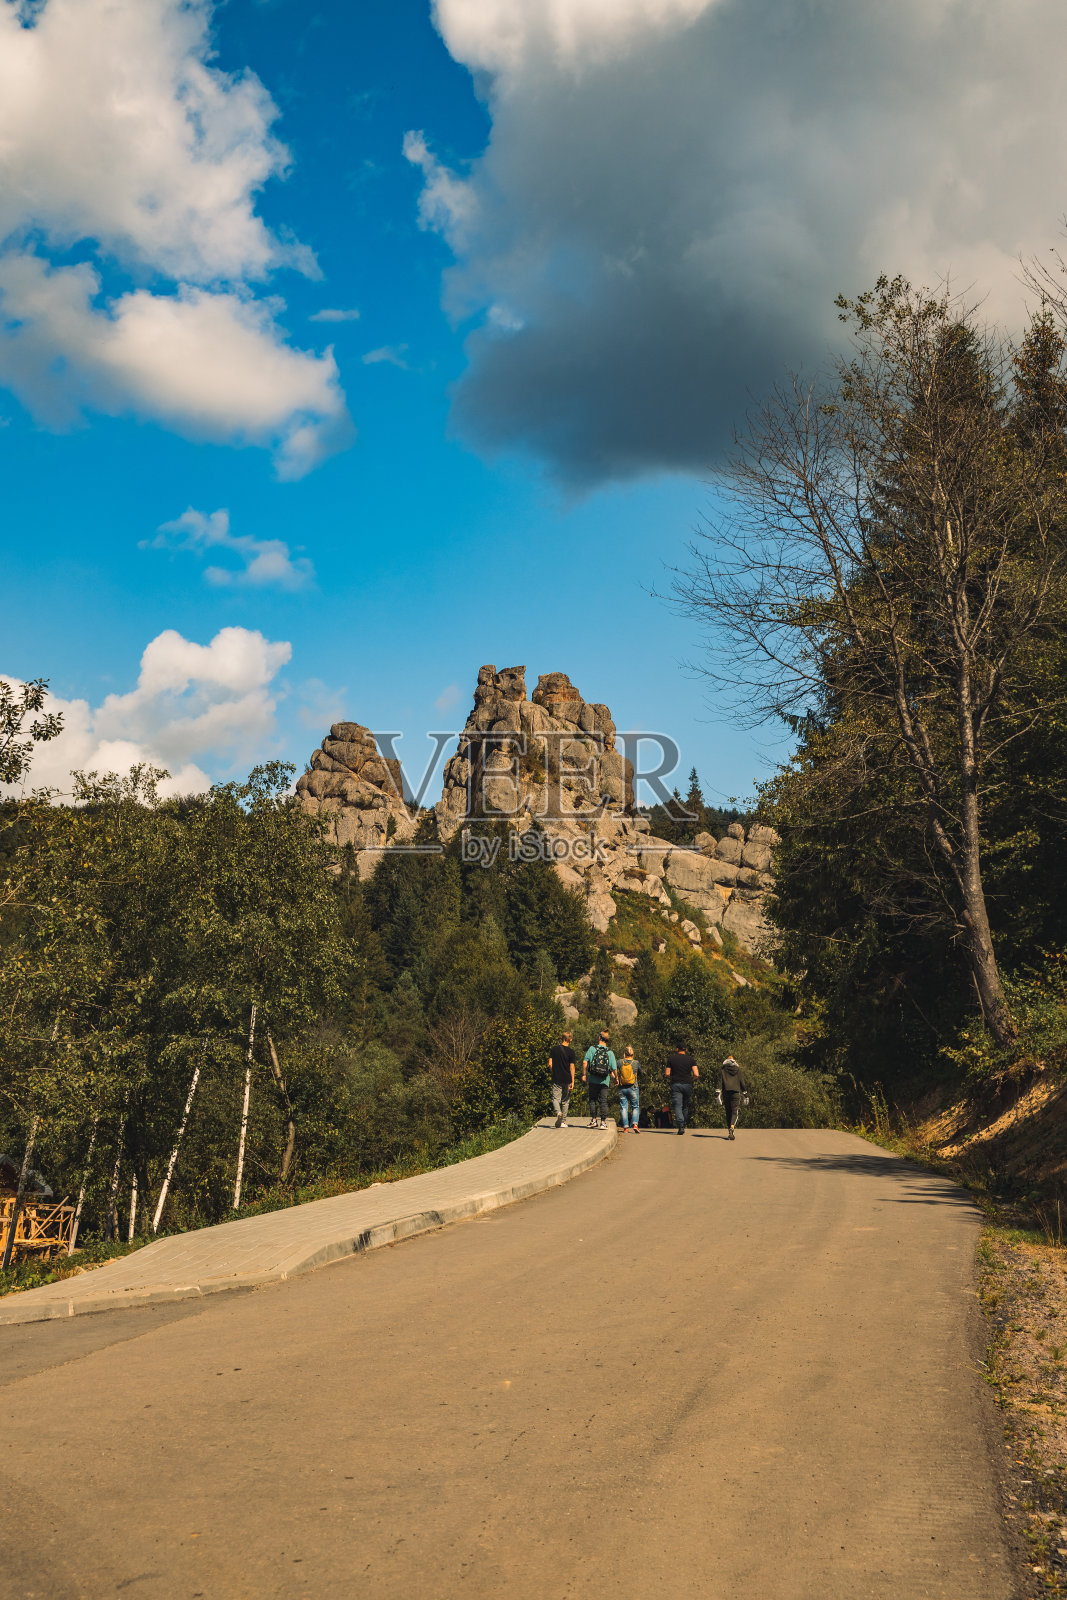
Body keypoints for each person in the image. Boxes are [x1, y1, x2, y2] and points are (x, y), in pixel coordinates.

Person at [583, 1030, 617, 1128]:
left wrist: (584, 1075)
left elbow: (585, 1062)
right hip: (604, 1081)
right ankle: (603, 1122)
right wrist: (616, 1078)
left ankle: (594, 1120)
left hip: (593, 1079)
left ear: (599, 1038)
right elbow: (614, 1068)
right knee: (603, 1101)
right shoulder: (610, 1052)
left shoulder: (592, 1049)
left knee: (592, 1100)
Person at [665, 1041, 699, 1134]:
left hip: (676, 1084)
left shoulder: (671, 1058)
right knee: (685, 1106)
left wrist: (672, 1078)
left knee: (678, 1105)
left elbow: (667, 1073)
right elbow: (696, 1074)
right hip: (687, 1084)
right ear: (686, 1050)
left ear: (677, 1049)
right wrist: (691, 1080)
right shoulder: (691, 1059)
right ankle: (683, 1124)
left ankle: (680, 1126)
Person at [548, 1030, 577, 1128]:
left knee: (555, 1098)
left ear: (562, 1038)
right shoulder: (571, 1052)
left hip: (557, 1078)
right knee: (565, 1100)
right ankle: (563, 1121)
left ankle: (558, 1112)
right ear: (570, 1040)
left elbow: (550, 1064)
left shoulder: (554, 1049)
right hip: (567, 1078)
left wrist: (554, 1071)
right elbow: (572, 1067)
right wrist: (572, 1081)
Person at [718, 1056, 749, 1140]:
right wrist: (745, 1094)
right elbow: (742, 1082)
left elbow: (720, 1082)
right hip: (735, 1093)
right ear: (734, 1060)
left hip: (726, 1092)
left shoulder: (723, 1069)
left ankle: (729, 1130)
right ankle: (732, 1127)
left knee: (728, 1112)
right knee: (734, 1111)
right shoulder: (738, 1070)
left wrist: (718, 1093)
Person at [616, 1045, 642, 1132]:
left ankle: (626, 1128)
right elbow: (641, 1073)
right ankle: (635, 1124)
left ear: (624, 1054)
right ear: (633, 1054)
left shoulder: (619, 1062)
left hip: (622, 1087)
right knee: (635, 1106)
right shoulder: (636, 1063)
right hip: (633, 1087)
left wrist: (616, 1078)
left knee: (624, 1107)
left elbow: (613, 1070)